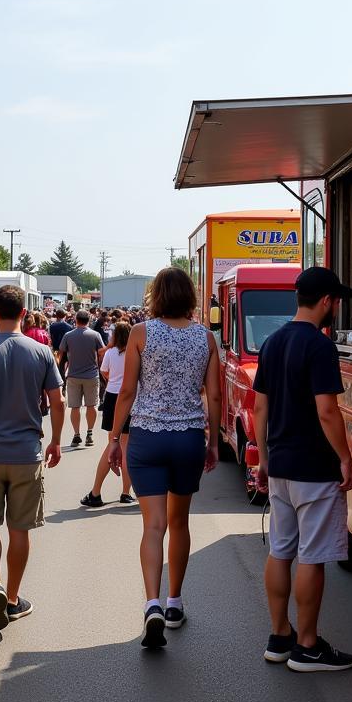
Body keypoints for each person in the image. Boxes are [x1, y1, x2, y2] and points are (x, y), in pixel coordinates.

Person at [253, 267, 352, 673]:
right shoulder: (319, 346)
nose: (337, 308)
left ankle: (280, 637)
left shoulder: (273, 342)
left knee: (280, 551)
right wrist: (346, 459)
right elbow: (327, 410)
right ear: (327, 301)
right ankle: (309, 646)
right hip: (315, 468)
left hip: (279, 465)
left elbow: (260, 406)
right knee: (312, 556)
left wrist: (263, 458)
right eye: (337, 301)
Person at [108, 267, 220, 649]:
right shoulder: (206, 339)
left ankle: (152, 601)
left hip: (146, 439)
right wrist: (213, 441)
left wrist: (113, 438)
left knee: (153, 526)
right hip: (187, 438)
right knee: (180, 521)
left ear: (156, 295)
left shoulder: (141, 333)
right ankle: (174, 603)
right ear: (190, 295)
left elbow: (126, 392)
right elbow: (215, 396)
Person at [0, 285, 65, 630]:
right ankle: (14, 599)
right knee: (20, 529)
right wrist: (57, 442)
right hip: (26, 453)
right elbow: (58, 401)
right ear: (23, 313)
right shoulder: (41, 351)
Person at [80, 321, 135, 508]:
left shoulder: (111, 353)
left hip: (112, 397)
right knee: (126, 446)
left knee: (112, 442)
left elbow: (104, 371)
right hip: (131, 397)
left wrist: (112, 379)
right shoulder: (135, 352)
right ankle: (126, 492)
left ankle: (96, 492)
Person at [58, 310, 105, 447]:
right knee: (91, 405)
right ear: (88, 321)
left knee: (75, 407)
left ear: (76, 320)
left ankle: (76, 434)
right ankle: (90, 433)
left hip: (73, 375)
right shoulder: (95, 335)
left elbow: (62, 352)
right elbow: (101, 352)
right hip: (91, 374)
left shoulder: (68, 335)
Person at [49, 308, 72, 387]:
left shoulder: (52, 326)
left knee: (59, 367)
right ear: (65, 316)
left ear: (56, 316)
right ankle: (64, 383)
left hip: (56, 350)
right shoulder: (70, 326)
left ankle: (61, 383)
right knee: (66, 367)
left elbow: (50, 338)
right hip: (67, 350)